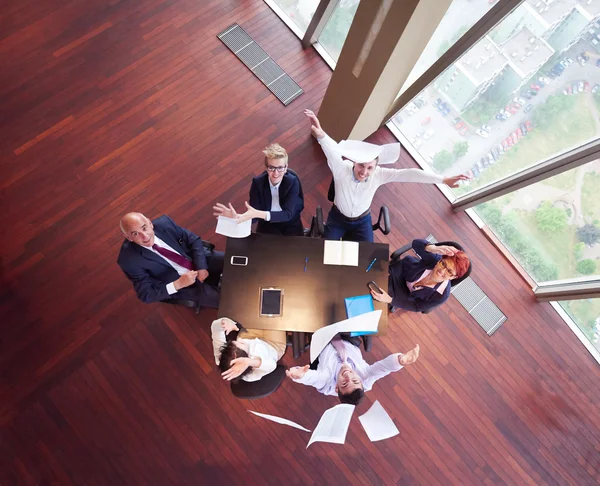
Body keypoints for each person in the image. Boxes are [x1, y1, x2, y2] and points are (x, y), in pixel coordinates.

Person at [304, 109, 469, 242]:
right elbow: (331, 149)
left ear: (376, 167)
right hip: (338, 218)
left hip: (362, 222)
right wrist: (320, 134)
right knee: (326, 253)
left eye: (370, 168)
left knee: (366, 257)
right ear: (354, 162)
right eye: (361, 165)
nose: (364, 172)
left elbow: (409, 174)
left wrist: (443, 180)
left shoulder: (379, 174)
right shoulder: (341, 168)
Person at [117, 213, 224, 308]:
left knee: (237, 262)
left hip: (200, 259)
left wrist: (201, 267)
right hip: (184, 286)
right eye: (135, 234)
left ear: (150, 223)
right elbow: (146, 295)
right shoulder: (128, 261)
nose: (145, 237)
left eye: (144, 228)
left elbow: (193, 240)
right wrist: (178, 284)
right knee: (228, 301)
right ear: (128, 237)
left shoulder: (165, 223)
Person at [286, 334, 419, 405]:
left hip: (323, 341)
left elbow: (314, 379)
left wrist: (300, 376)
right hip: (348, 339)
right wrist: (401, 360)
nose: (348, 376)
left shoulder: (326, 383)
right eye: (355, 380)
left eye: (344, 383)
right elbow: (384, 368)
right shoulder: (366, 379)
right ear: (361, 382)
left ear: (337, 388)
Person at [213, 143, 305, 236]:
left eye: (280, 168)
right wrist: (238, 217)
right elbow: (254, 215)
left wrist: (259, 214)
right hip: (267, 224)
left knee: (295, 249)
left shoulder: (292, 182)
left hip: (290, 223)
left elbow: (288, 214)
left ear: (286, 168)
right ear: (266, 167)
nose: (276, 173)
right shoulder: (258, 183)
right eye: (271, 168)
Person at [370, 239, 470, 313]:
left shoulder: (442, 295)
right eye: (443, 264)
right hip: (400, 274)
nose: (441, 271)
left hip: (405, 295)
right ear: (440, 260)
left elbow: (417, 306)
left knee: (374, 303)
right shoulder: (433, 260)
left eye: (449, 271)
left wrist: (390, 300)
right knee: (368, 283)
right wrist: (433, 248)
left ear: (453, 277)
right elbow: (415, 244)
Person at [212, 317, 287, 382]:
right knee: (276, 317)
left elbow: (215, 328)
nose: (235, 341)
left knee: (255, 311)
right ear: (248, 355)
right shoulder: (250, 376)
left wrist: (224, 322)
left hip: (249, 336)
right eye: (240, 344)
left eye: (232, 344)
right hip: (273, 344)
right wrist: (250, 362)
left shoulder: (221, 357)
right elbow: (272, 365)